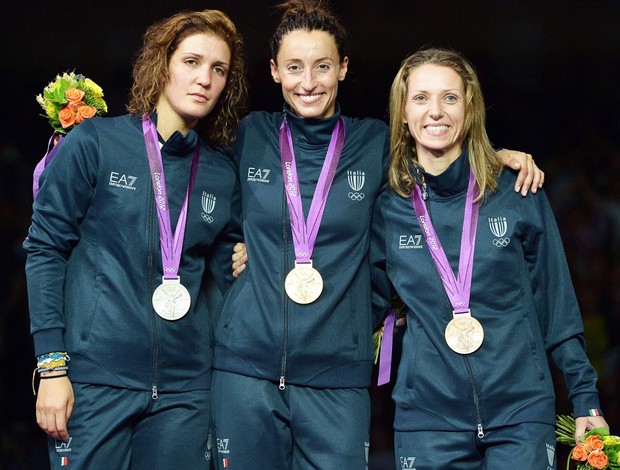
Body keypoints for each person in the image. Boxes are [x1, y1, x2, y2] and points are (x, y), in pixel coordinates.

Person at [211, 2, 543, 469]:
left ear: (343, 68)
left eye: (322, 66)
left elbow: (440, 161)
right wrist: (234, 266)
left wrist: (498, 156)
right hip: (245, 369)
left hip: (337, 377)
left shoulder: (375, 145)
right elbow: (200, 204)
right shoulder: (249, 137)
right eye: (294, 67)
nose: (308, 82)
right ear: (274, 71)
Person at [23, 9, 247, 469]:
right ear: (163, 63)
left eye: (218, 69)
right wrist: (51, 366)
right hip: (94, 383)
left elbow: (224, 277)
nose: (204, 78)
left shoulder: (223, 173)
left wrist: (247, 259)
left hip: (186, 394)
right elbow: (45, 250)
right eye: (191, 62)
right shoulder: (94, 144)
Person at [370, 46, 608, 469]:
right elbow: (362, 294)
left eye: (450, 97)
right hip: (427, 421)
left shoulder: (517, 191)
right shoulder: (386, 206)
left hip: (521, 415)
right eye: (421, 98)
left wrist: (585, 399)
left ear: (469, 106)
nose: (436, 111)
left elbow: (556, 301)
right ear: (403, 112)